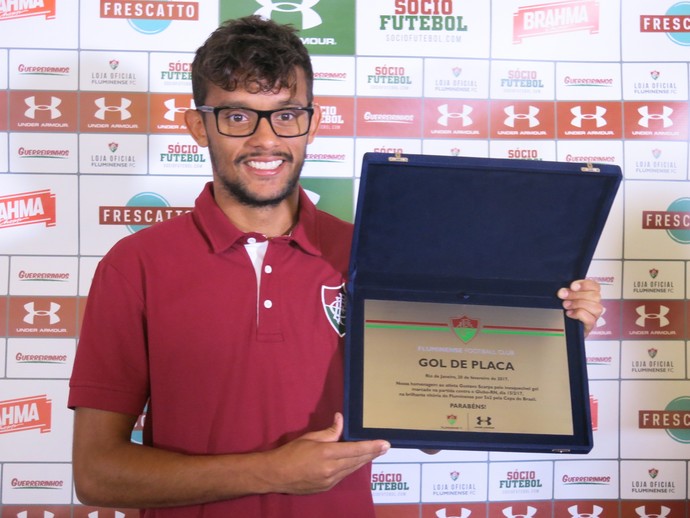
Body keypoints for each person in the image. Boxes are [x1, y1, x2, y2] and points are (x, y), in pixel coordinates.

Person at [68, 15, 604, 518]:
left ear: (312, 122)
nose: (266, 139)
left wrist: (544, 336)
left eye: (286, 114)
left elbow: (437, 424)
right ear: (197, 126)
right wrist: (270, 471)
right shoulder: (134, 265)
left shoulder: (373, 253)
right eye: (236, 116)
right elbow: (97, 474)